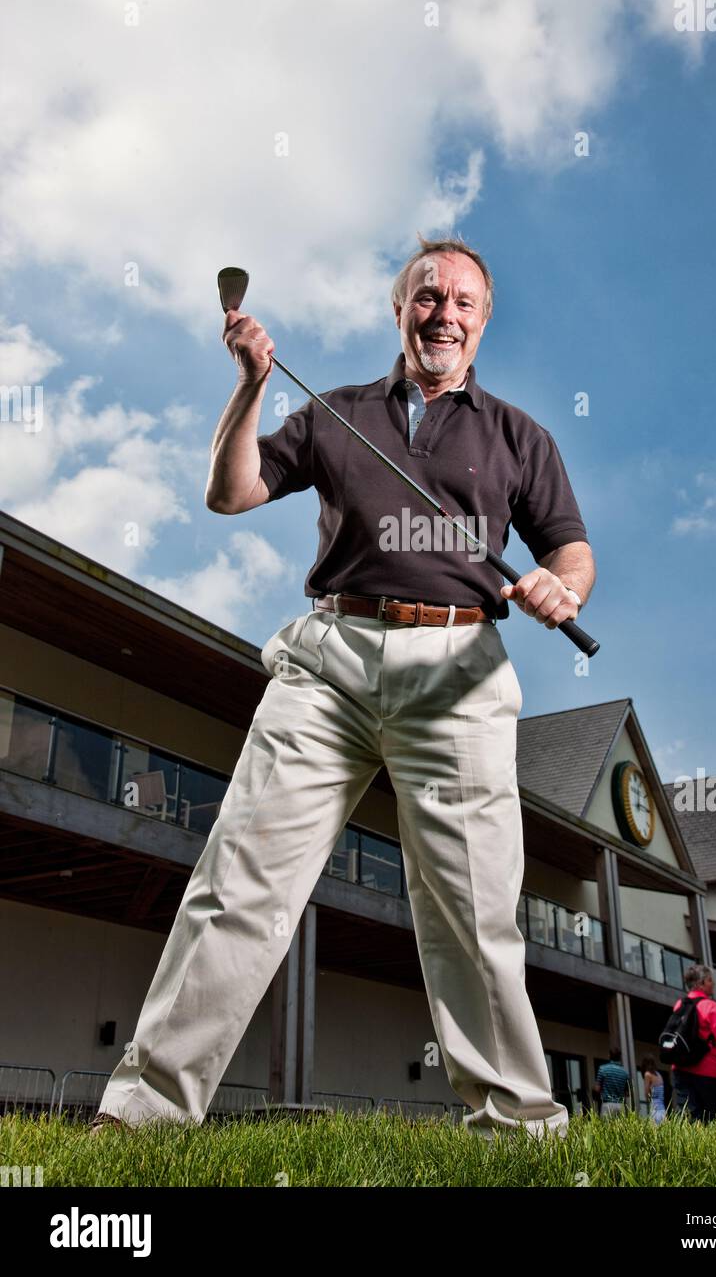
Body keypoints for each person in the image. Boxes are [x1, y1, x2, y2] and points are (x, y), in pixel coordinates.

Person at [90, 235, 596, 1141]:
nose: (444, 313)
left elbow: (568, 547)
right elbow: (231, 492)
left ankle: (518, 1126)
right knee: (239, 877)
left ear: (484, 320)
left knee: (475, 912)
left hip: (460, 670)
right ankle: (144, 1114)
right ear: (399, 310)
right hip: (331, 660)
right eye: (426, 297)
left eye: (463, 302)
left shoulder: (521, 435)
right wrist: (250, 385)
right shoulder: (339, 412)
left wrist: (565, 584)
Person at [670, 965, 716, 1122]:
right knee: (715, 1118)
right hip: (710, 1072)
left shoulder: (679, 1005)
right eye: (710, 980)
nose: (713, 984)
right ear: (701, 983)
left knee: (689, 1117)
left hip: (680, 1068)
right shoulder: (712, 1006)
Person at [593, 1048, 631, 1116]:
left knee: (606, 1126)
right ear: (620, 1057)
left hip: (607, 1105)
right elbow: (628, 1093)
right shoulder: (625, 1073)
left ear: (609, 1055)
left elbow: (597, 1089)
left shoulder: (603, 1069)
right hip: (620, 1105)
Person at [640, 1054, 666, 1125]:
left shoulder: (647, 1075)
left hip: (655, 1109)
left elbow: (646, 1094)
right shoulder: (658, 1074)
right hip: (662, 1109)